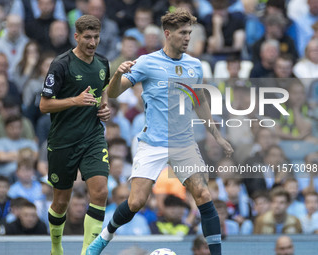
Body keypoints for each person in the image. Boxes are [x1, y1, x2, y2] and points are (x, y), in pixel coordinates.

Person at [87, 8, 233, 255]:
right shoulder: (147, 62)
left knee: (204, 195)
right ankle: (104, 237)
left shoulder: (195, 66)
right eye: (183, 33)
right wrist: (118, 75)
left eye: (190, 32)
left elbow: (199, 101)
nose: (188, 38)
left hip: (184, 143)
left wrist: (217, 135)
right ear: (168, 34)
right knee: (136, 202)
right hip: (152, 142)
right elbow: (112, 94)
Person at [39, 15, 111, 255]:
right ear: (76, 36)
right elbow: (44, 105)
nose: (92, 42)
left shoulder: (102, 63)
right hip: (63, 140)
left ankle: (87, 252)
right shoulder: (61, 64)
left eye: (96, 37)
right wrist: (75, 101)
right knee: (60, 202)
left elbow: (103, 93)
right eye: (87, 37)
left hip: (93, 137)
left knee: (100, 192)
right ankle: (56, 247)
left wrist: (105, 108)